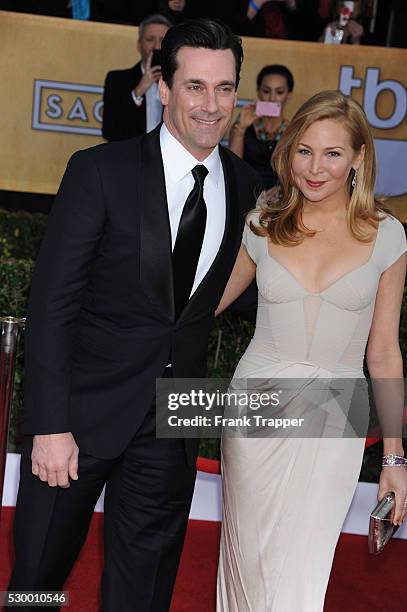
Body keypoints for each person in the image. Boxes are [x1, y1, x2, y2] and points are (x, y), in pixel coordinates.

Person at [7, 18, 260, 612]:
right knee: (37, 582)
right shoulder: (101, 171)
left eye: (225, 88)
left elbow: (248, 296)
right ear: (165, 88)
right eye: (195, 86)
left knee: (142, 594)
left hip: (170, 425)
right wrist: (48, 424)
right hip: (77, 419)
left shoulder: (249, 188)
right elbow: (52, 305)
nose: (211, 104)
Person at [215, 90, 407, 611]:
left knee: (303, 564)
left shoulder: (388, 237)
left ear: (359, 158)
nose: (315, 168)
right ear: (287, 152)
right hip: (257, 406)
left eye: (332, 153)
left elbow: (385, 353)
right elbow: (199, 307)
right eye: (304, 151)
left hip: (336, 411)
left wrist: (394, 456)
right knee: (248, 559)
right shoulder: (262, 224)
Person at [102, 14, 171, 141]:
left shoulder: (178, 83)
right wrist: (137, 93)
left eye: (162, 40)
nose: (156, 47)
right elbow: (110, 131)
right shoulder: (117, 80)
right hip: (129, 157)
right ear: (139, 45)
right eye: (150, 39)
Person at [229, 64, 293, 189]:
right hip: (246, 194)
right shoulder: (243, 125)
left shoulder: (293, 131)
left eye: (279, 92)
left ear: (288, 95)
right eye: (266, 91)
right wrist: (241, 128)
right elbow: (232, 169)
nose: (272, 98)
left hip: (281, 199)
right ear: (258, 93)